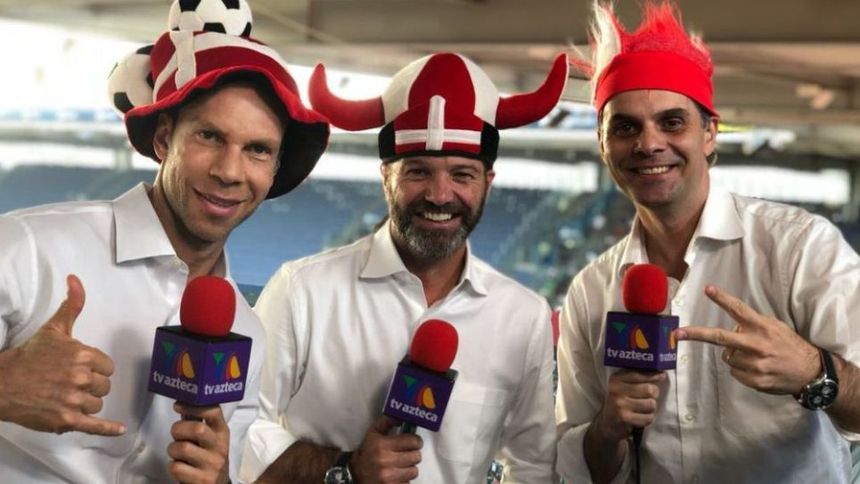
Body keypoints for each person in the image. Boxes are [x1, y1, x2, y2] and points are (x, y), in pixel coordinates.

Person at [0, 1, 329, 482]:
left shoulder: (246, 333)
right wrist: (5, 386)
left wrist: (220, 478)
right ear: (163, 140)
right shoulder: (28, 248)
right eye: (209, 137)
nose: (230, 171)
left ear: (275, 170)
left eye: (257, 150)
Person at [555, 1, 860, 482]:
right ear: (602, 143)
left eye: (672, 122)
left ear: (710, 134)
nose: (648, 144)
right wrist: (607, 428)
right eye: (626, 127)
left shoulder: (800, 248)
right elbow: (581, 468)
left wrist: (811, 371)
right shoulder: (589, 292)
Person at [240, 52, 568, 483]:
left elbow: (533, 464)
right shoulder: (303, 290)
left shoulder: (523, 316)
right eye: (418, 172)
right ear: (386, 177)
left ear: (488, 183)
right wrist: (343, 468)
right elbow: (241, 426)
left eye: (462, 175)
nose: (439, 195)